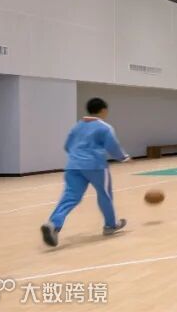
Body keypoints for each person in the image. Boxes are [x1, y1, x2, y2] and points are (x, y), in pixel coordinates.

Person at [41, 97, 130, 247]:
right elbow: (113, 147)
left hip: (73, 166)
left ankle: (53, 224)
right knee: (104, 195)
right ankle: (110, 225)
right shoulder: (104, 127)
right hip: (95, 166)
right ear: (103, 110)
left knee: (70, 197)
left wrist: (77, 157)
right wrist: (124, 158)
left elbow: (67, 146)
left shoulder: (77, 126)